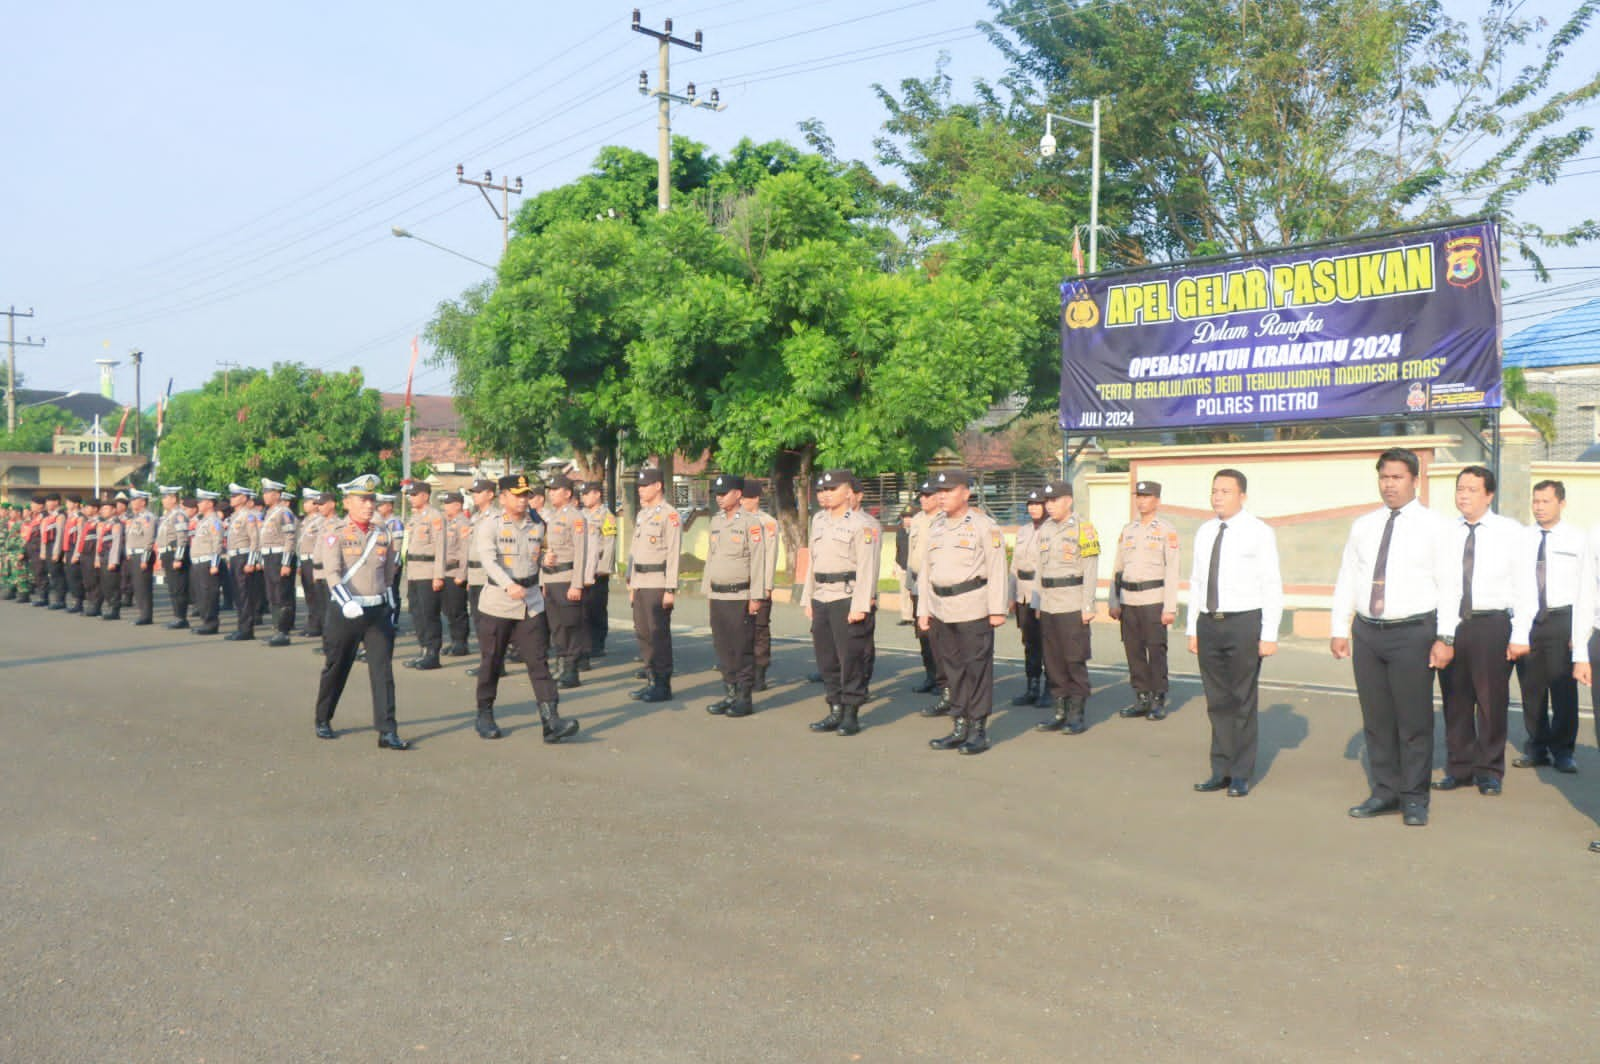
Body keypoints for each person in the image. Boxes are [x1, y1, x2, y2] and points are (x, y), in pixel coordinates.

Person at [1331, 448, 1451, 828]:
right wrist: (1339, 627)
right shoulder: (1364, 525)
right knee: (1377, 719)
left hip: (1413, 633)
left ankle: (1414, 798)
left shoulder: (1436, 526)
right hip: (1368, 632)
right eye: (1384, 477)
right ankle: (1385, 791)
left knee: (1413, 720)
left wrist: (1445, 636)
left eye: (1397, 477)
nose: (1389, 484)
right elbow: (1347, 576)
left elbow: (1450, 587)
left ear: (1415, 480)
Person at [1187, 469, 1283, 798]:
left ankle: (1241, 773)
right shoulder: (1204, 531)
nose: (1217, 496)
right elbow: (1197, 580)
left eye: (1225, 491)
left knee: (1241, 699)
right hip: (1209, 622)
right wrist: (1192, 627)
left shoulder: (1259, 532)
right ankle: (1220, 769)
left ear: (1242, 496)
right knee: (1217, 701)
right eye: (1214, 490)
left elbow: (1271, 583)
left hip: (1244, 622)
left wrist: (1269, 633)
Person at [1434, 466, 1524, 797]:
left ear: (1489, 495)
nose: (1463, 495)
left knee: (1491, 700)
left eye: (1472, 489)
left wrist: (1520, 634)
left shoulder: (1510, 532)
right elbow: (1441, 585)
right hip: (1453, 624)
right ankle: (1459, 767)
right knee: (1455, 698)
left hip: (1492, 624)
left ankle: (1489, 770)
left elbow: (1524, 586)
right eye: (1460, 489)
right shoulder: (1446, 532)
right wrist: (1442, 634)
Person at [470, 473, 580, 743]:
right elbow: (489, 560)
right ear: (503, 497)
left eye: (526, 495)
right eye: (517, 495)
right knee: (492, 661)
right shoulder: (490, 525)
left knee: (538, 662)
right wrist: (508, 585)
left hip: (530, 602)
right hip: (498, 602)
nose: (523, 500)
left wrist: (546, 559)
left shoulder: (537, 524)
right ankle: (484, 714)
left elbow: (538, 554)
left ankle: (551, 721)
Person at [313, 474, 408, 749]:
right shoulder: (336, 533)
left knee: (382, 671)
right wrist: (346, 602)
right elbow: (332, 573)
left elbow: (389, 574)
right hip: (347, 610)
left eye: (371, 499)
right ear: (348, 502)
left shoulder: (382, 532)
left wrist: (390, 608)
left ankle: (387, 730)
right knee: (337, 666)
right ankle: (323, 717)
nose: (368, 505)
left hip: (376, 611)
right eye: (362, 500)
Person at [919, 469, 1010, 755]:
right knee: (952, 670)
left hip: (973, 606)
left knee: (976, 670)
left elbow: (998, 569)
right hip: (942, 608)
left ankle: (978, 730)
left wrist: (997, 609)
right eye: (939, 491)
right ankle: (959, 726)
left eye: (948, 491)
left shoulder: (985, 526)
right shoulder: (935, 526)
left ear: (966, 493)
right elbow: (926, 571)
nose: (941, 496)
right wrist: (924, 609)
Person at [801, 469, 879, 736]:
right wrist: (807, 597)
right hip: (822, 594)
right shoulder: (819, 520)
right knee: (827, 658)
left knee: (850, 658)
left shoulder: (861, 524)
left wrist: (861, 604)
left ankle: (850, 712)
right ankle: (834, 708)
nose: (825, 494)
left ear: (848, 492)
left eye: (831, 489)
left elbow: (867, 567)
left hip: (847, 595)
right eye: (822, 490)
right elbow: (813, 560)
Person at [1511, 480, 1581, 775]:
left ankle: (1563, 750)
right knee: (1531, 687)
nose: (1539, 507)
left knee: (1563, 686)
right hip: (1529, 619)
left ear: (1561, 503)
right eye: (1536, 501)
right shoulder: (1522, 538)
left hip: (1562, 619)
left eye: (1546, 501)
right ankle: (1537, 746)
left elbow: (1585, 588)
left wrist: (1579, 634)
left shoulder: (1578, 539)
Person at [1026, 480, 1100, 734]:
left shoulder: (1084, 528)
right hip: (1048, 603)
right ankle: (1059, 711)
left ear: (1068, 500)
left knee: (1074, 659)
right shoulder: (1045, 529)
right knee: (1053, 660)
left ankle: (1076, 714)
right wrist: (1036, 602)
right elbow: (1040, 568)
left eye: (1054, 500)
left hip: (1072, 601)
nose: (1049, 505)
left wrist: (1088, 604)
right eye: (1047, 501)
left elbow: (1090, 569)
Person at [1108, 480, 1182, 720]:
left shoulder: (1166, 531)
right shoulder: (1128, 530)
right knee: (1133, 650)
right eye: (1138, 496)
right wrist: (1113, 600)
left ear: (1157, 501)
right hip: (1129, 599)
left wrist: (1169, 607)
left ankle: (1158, 697)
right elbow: (1118, 568)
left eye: (1147, 496)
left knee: (1156, 650)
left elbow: (1172, 571)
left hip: (1153, 599)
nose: (1141, 500)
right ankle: (1141, 696)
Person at [700, 474, 768, 718]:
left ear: (738, 494)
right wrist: (707, 589)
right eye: (717, 494)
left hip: (740, 595)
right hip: (718, 595)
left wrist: (756, 596)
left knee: (741, 648)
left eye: (724, 493)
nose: (719, 498)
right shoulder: (716, 521)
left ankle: (743, 697)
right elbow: (712, 557)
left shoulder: (751, 523)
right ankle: (729, 693)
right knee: (723, 647)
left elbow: (759, 561)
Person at [628, 468, 680, 703]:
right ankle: (650, 679)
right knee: (643, 632)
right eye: (639, 485)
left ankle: (662, 683)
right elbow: (634, 551)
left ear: (658, 486)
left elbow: (673, 553)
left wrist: (670, 589)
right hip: (640, 582)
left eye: (645, 485)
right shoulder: (642, 515)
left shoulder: (670, 515)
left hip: (658, 582)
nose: (640, 489)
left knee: (658, 634)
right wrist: (632, 583)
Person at [540, 474, 590, 688]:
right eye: (549, 490)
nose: (551, 493)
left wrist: (577, 584)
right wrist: (543, 579)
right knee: (557, 626)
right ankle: (560, 664)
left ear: (567, 493)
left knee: (571, 626)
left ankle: (571, 669)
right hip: (551, 579)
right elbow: (547, 550)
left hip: (567, 579)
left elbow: (581, 553)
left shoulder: (576, 517)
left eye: (555, 489)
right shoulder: (552, 517)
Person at [905, 480, 945, 699]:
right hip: (917, 582)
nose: (923, 499)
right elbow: (913, 551)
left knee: (937, 634)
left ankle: (943, 679)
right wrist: (909, 584)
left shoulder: (944, 519)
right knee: (922, 634)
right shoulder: (918, 519)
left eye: (928, 495)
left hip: (935, 584)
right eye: (921, 495)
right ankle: (930, 675)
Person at [1009, 489, 1048, 708]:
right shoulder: (1023, 531)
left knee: (1047, 642)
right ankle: (1032, 686)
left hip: (1041, 592)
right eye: (1030, 503)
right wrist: (1011, 595)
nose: (1033, 507)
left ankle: (1050, 688)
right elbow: (1014, 564)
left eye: (1037, 503)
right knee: (1029, 642)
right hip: (1023, 592)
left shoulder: (1051, 530)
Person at [401, 481, 446, 670]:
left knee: (430, 614)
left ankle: (433, 653)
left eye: (414, 494)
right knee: (417, 612)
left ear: (425, 496)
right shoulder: (414, 518)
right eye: (410, 495)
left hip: (428, 572)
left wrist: (439, 576)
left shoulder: (435, 517)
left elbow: (441, 548)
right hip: (414, 572)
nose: (411, 498)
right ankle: (423, 649)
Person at [741, 479, 781, 691]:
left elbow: (770, 556)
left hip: (758, 585)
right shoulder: (735, 520)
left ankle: (760, 671)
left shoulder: (768, 522)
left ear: (755, 498)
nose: (741, 502)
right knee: (739, 629)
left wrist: (766, 586)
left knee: (759, 630)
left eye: (745, 498)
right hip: (738, 584)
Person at [253, 479, 298, 646]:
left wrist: (286, 563)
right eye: (264, 492)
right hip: (269, 557)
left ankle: (283, 632)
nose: (265, 496)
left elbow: (290, 538)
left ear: (277, 494)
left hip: (280, 557)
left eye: (268, 492)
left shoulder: (284, 512)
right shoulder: (268, 512)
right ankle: (276, 629)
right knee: (272, 595)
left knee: (282, 594)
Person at [579, 480, 616, 667]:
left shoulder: (606, 516)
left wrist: (604, 568)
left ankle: (598, 642)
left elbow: (609, 544)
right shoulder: (582, 515)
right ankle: (587, 643)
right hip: (583, 568)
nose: (584, 497)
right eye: (583, 494)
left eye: (587, 493)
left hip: (598, 570)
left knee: (597, 608)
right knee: (584, 608)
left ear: (597, 494)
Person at [224, 483, 262, 641]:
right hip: (234, 557)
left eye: (235, 496)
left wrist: (251, 562)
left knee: (244, 594)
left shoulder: (249, 515)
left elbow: (255, 539)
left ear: (244, 498)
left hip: (244, 557)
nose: (231, 499)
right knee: (238, 595)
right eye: (231, 496)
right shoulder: (234, 516)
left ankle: (246, 629)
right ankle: (241, 626)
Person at [440, 490, 472, 656]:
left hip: (456, 572)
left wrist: (463, 573)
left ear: (458, 505)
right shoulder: (448, 522)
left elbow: (465, 550)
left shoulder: (463, 523)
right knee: (448, 610)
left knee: (457, 610)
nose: (445, 507)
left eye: (448, 503)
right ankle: (454, 641)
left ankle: (461, 643)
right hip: (445, 572)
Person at [189, 490, 226, 635]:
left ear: (210, 503)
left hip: (208, 561)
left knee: (209, 593)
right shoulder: (202, 521)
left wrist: (214, 564)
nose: (198, 503)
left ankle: (211, 623)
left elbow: (217, 543)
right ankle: (205, 621)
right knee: (201, 594)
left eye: (201, 501)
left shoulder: (214, 521)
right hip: (198, 561)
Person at [156, 487, 191, 628]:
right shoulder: (167, 516)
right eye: (163, 497)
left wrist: (178, 558)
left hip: (175, 553)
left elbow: (182, 538)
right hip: (167, 554)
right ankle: (176, 615)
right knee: (172, 587)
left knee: (178, 587)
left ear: (174, 499)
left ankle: (181, 617)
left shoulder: (179, 515)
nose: (163, 500)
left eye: (166, 497)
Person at [123, 489, 158, 625]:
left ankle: (146, 615)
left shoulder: (148, 518)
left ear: (142, 502)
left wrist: (145, 558)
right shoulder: (135, 518)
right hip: (134, 555)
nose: (132, 503)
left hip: (142, 555)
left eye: (134, 500)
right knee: (137, 586)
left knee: (143, 586)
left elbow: (149, 540)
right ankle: (142, 613)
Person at [296, 490, 326, 640]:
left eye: (308, 501)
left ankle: (318, 625)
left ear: (315, 504)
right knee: (309, 594)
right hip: (305, 560)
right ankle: (312, 623)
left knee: (317, 595)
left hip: (314, 561)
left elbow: (320, 544)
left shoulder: (320, 521)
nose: (305, 504)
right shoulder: (306, 521)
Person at [93, 497, 124, 620]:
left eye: (106, 508)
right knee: (105, 584)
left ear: (113, 510)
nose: (103, 511)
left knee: (112, 585)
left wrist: (113, 561)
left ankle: (114, 610)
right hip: (103, 556)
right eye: (102, 508)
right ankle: (109, 606)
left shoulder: (116, 524)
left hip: (110, 557)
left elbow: (116, 543)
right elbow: (99, 542)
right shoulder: (105, 524)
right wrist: (97, 558)